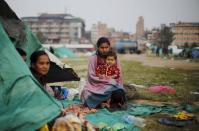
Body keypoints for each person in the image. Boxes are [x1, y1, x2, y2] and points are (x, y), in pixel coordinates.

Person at [81, 37, 126, 109]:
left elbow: (118, 74)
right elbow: (91, 75)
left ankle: (108, 103)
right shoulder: (93, 59)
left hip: (111, 85)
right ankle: (102, 103)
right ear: (98, 47)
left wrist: (111, 80)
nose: (104, 50)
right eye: (102, 47)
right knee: (86, 94)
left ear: (109, 47)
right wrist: (105, 78)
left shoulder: (114, 58)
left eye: (106, 47)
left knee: (119, 92)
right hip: (95, 86)